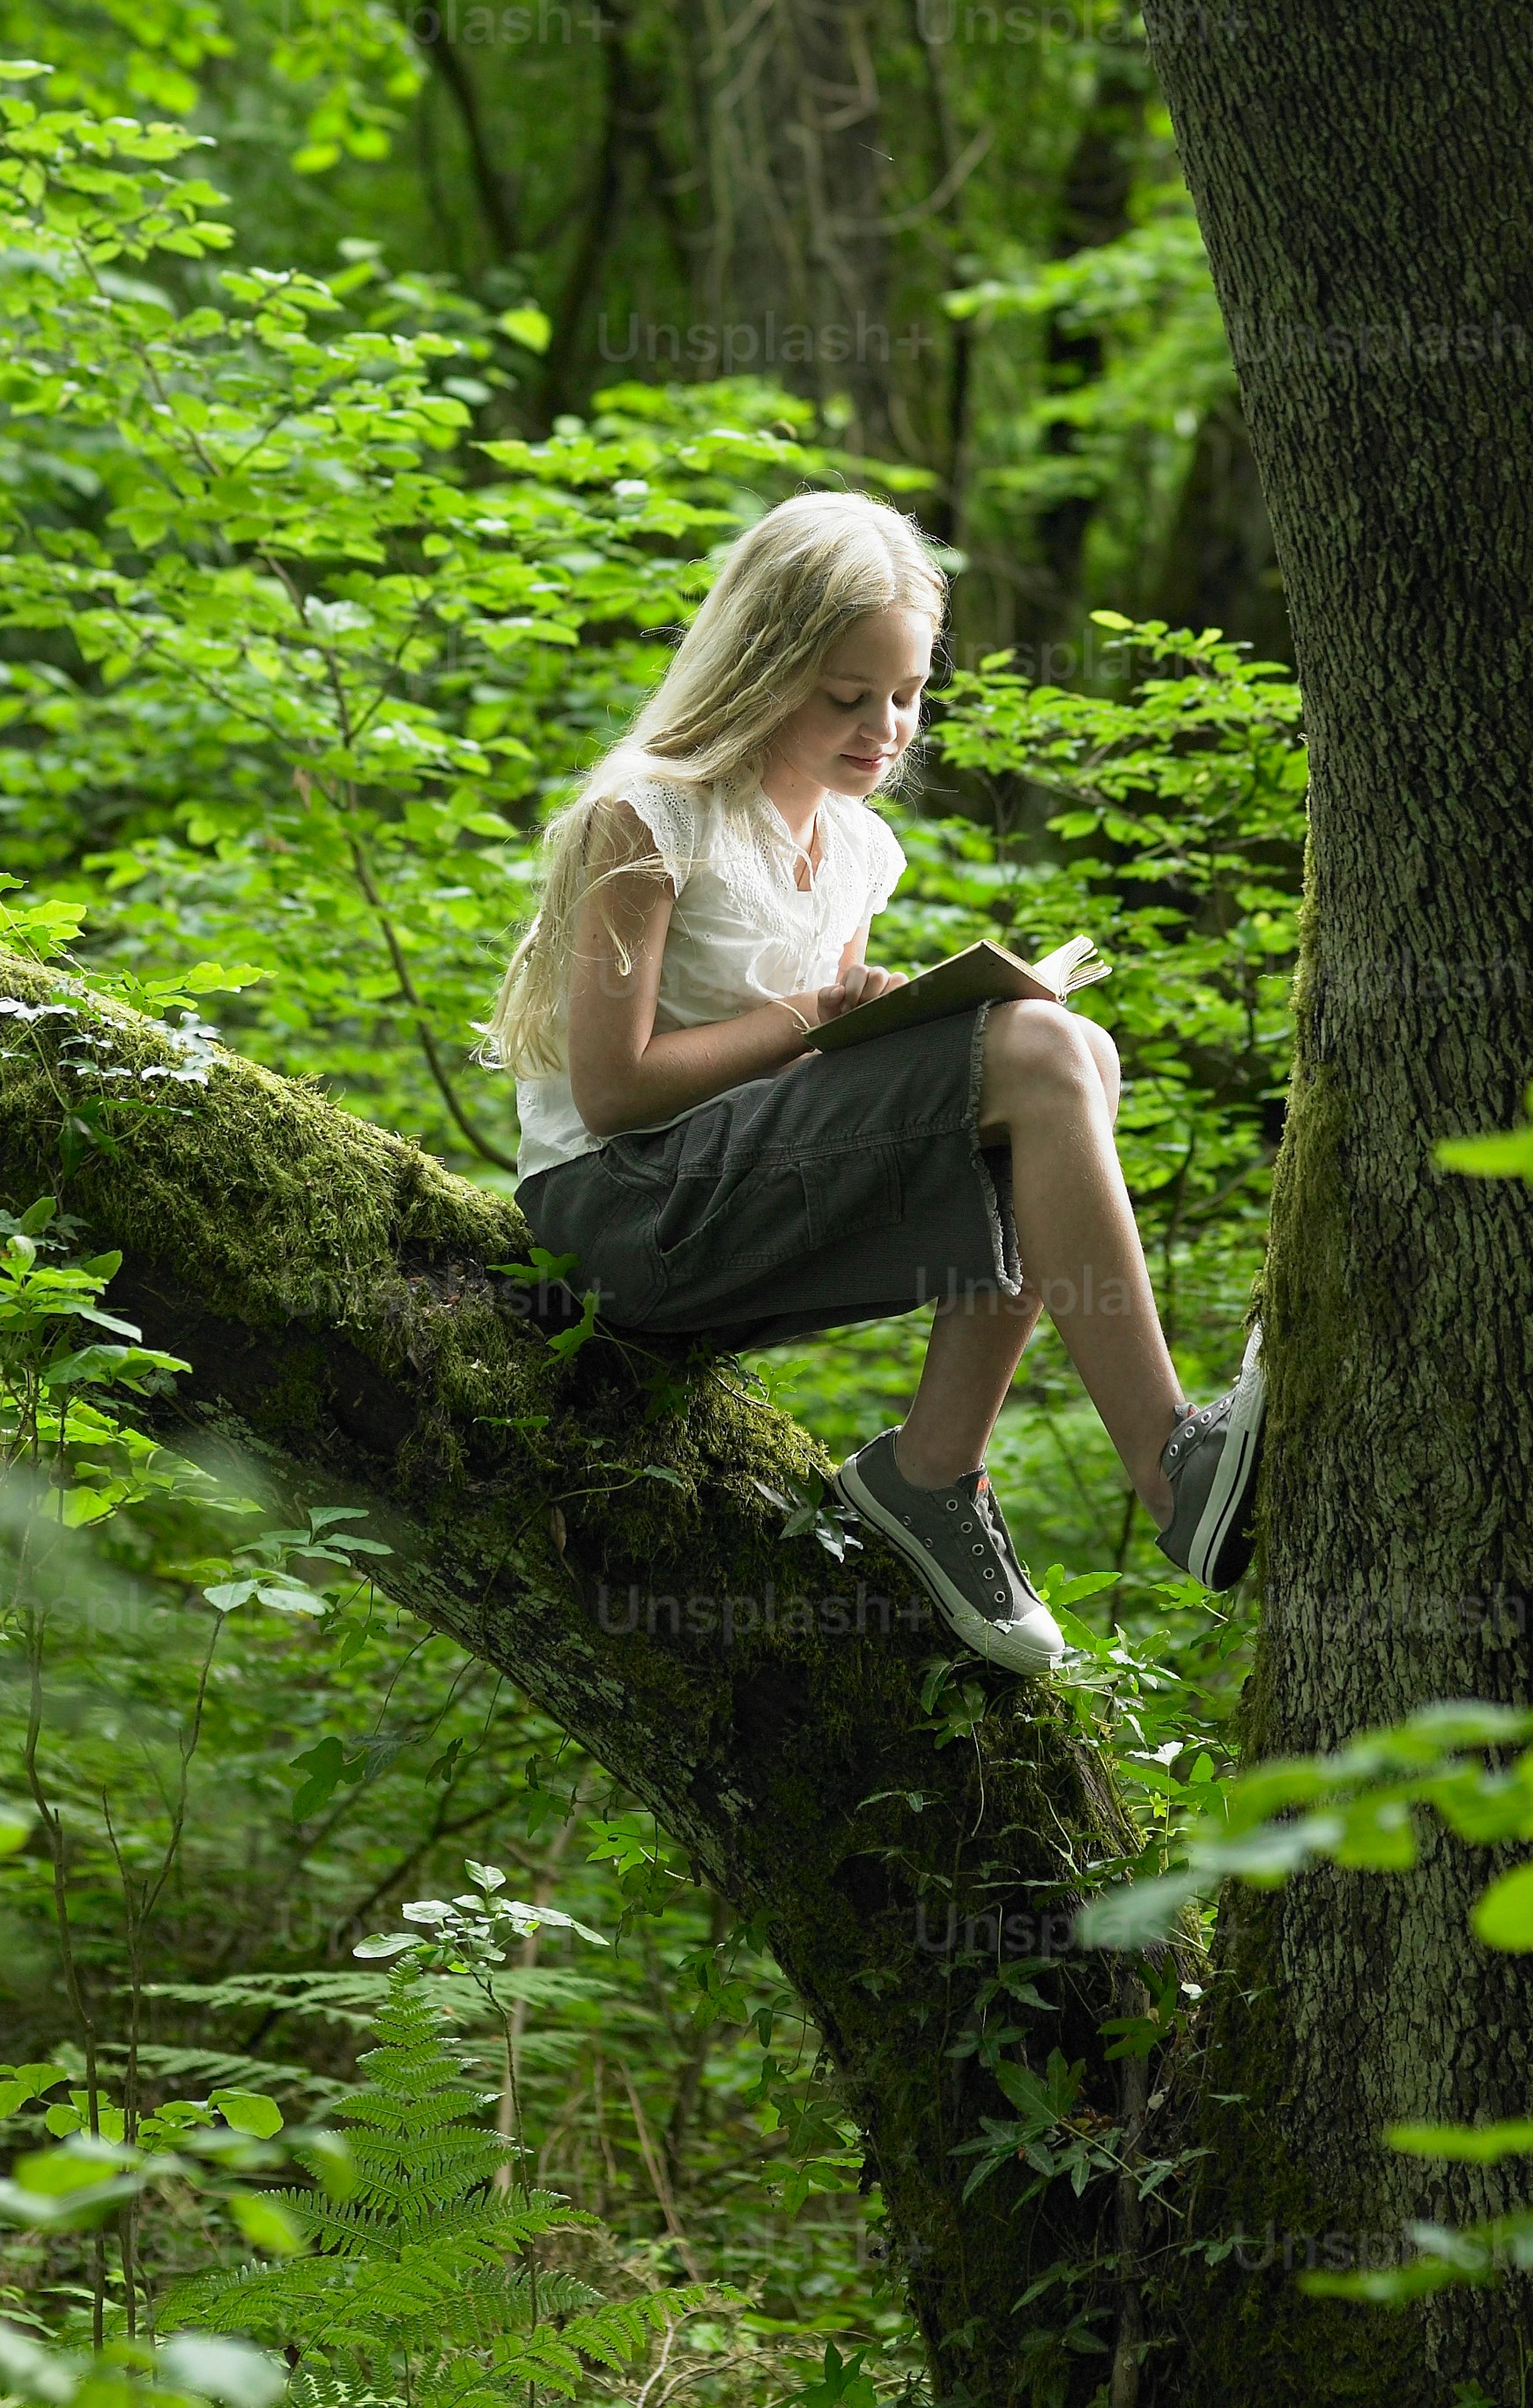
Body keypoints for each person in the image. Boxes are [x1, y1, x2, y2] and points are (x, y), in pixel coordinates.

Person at [483, 488, 1263, 1673]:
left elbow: (817, 1088)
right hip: (619, 1215)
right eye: (847, 698)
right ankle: (1172, 1464)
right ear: (760, 668)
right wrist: (812, 1017)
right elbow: (615, 1091)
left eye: (907, 695)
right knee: (1046, 1055)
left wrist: (878, 1028)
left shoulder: (860, 848)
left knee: (1074, 1056)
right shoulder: (645, 820)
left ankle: (931, 1475)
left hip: (732, 1194)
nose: (886, 728)